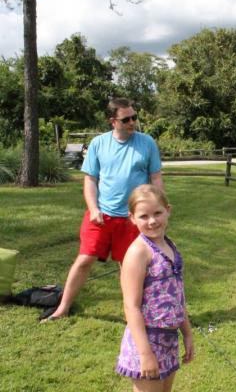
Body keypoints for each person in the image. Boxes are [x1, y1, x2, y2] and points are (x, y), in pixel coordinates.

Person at [41, 98, 163, 322]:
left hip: (132, 219)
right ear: (112, 121)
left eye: (134, 117)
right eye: (126, 119)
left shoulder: (147, 143)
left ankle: (134, 314)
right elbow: (90, 180)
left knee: (129, 266)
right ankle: (63, 307)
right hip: (101, 216)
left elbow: (156, 178)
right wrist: (93, 208)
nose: (132, 122)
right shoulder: (98, 144)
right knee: (84, 259)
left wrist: (157, 210)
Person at [115, 184, 194, 392]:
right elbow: (131, 307)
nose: (152, 221)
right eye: (143, 216)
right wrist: (145, 354)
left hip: (169, 340)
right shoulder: (138, 253)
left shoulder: (170, 245)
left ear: (168, 210)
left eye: (157, 213)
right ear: (132, 218)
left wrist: (186, 332)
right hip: (147, 341)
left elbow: (178, 294)